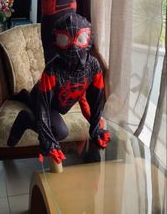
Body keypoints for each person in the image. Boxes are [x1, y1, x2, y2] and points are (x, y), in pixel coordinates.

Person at [7, 13, 110, 163]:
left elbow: (95, 98)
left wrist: (95, 129)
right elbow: (43, 107)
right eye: (65, 40)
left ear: (88, 39)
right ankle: (26, 118)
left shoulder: (94, 66)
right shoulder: (52, 69)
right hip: (44, 98)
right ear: (56, 40)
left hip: (59, 102)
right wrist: (48, 141)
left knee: (94, 122)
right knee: (60, 132)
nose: (73, 47)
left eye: (79, 39)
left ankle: (26, 97)